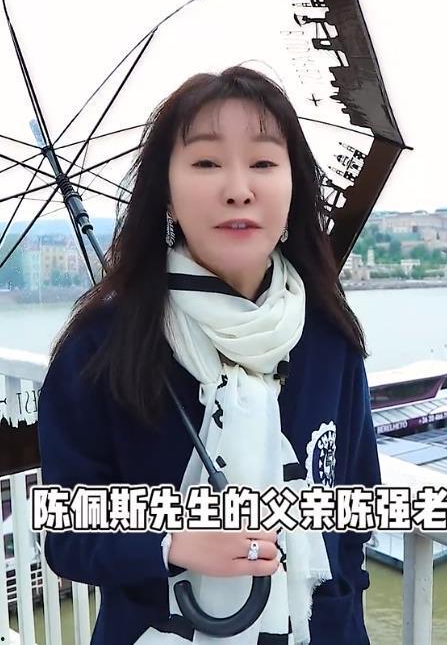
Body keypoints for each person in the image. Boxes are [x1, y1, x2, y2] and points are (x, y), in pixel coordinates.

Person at [37, 66, 382, 644]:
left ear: (294, 187)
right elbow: (68, 532)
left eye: (263, 163)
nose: (238, 188)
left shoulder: (328, 338)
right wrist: (171, 542)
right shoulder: (101, 347)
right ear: (167, 195)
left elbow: (355, 510)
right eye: (205, 163)